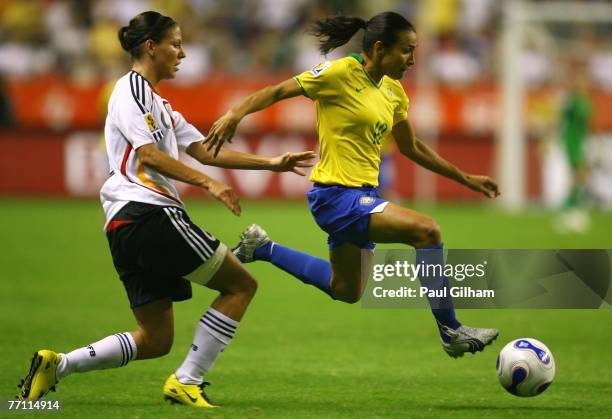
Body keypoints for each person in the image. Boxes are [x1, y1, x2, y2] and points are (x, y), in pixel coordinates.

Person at [17, 11, 315, 408]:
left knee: (156, 339)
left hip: (125, 223)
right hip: (148, 212)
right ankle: (188, 381)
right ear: (150, 46)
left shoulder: (158, 103)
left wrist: (271, 163)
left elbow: (205, 150)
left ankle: (58, 365)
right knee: (241, 285)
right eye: (175, 43)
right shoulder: (130, 90)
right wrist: (208, 183)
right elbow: (150, 155)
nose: (183, 53)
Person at [205, 12, 500, 358]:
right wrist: (235, 113)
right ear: (379, 48)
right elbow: (277, 91)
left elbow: (411, 147)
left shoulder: (393, 91)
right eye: (406, 50)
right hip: (336, 197)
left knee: (345, 289)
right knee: (427, 231)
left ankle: (262, 248)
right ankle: (451, 330)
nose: (412, 59)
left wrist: (464, 178)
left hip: (364, 195)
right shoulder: (340, 73)